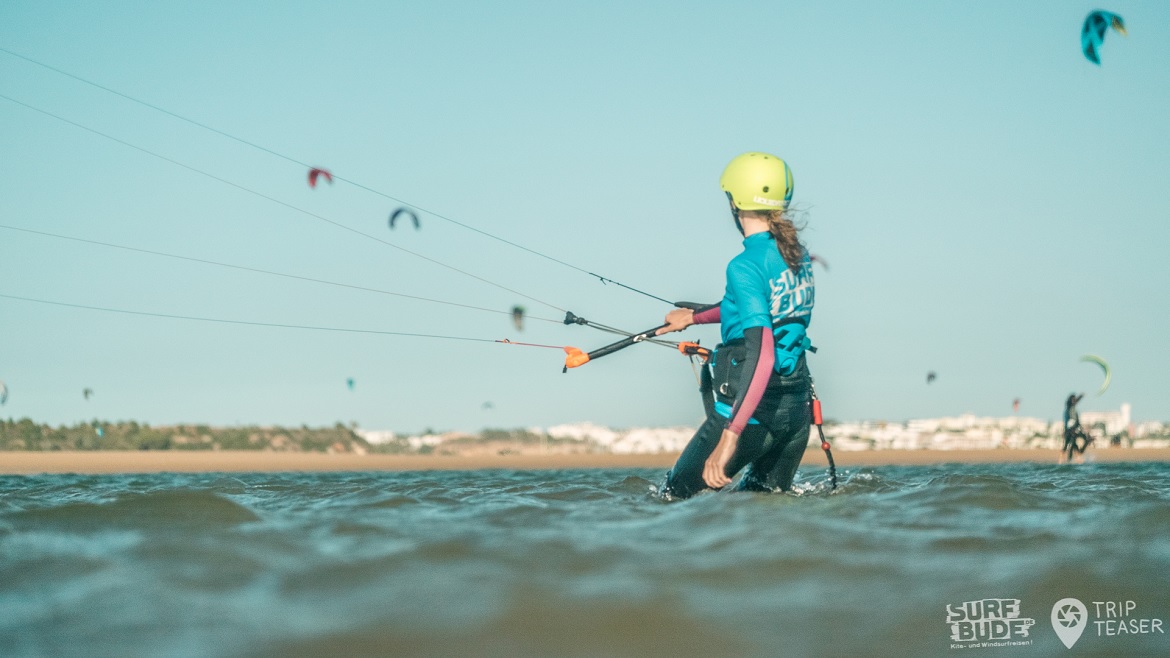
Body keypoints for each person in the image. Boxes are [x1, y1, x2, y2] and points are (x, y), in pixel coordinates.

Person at [656, 152, 815, 498]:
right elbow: (758, 308)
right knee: (763, 516)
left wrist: (731, 435)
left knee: (670, 499)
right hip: (794, 415)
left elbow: (762, 355)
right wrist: (694, 317)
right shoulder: (797, 255)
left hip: (751, 418)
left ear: (734, 201)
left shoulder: (743, 265)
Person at [1061, 392, 1091, 463]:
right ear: (1070, 400)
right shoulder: (1068, 407)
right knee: (1070, 443)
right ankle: (1070, 459)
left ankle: (1076, 456)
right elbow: (1067, 421)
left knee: (1084, 439)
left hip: (1075, 427)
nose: (1074, 401)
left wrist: (1080, 396)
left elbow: (1076, 401)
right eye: (1073, 399)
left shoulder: (1073, 407)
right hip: (1070, 428)